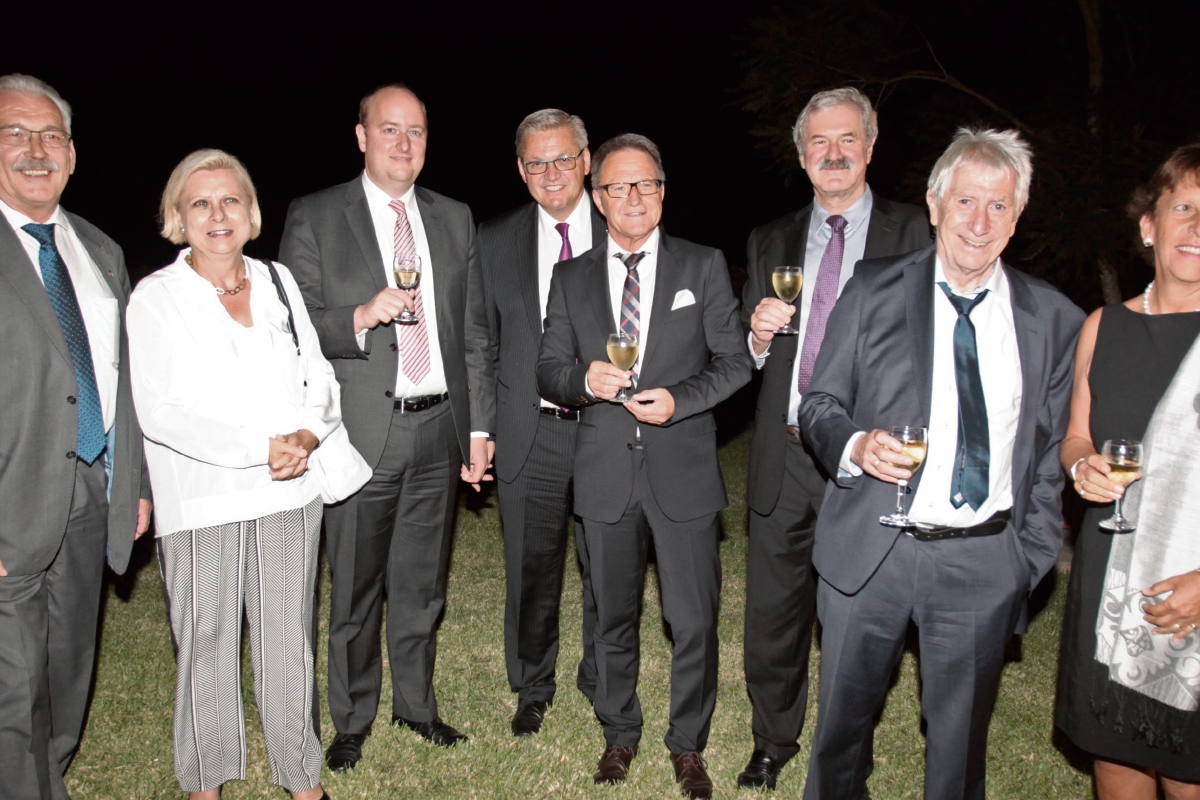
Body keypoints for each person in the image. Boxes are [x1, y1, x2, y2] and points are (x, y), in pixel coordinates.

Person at [798, 128, 1084, 800]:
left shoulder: (1052, 318)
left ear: (1017, 218)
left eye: (999, 207)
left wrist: (1026, 558)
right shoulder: (872, 289)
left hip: (982, 561)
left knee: (957, 753)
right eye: (965, 203)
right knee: (840, 733)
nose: (979, 223)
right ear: (933, 204)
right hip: (870, 550)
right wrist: (858, 446)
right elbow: (819, 404)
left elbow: (1047, 455)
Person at [280, 83, 496, 772]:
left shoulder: (455, 217)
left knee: (422, 584)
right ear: (361, 135)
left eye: (417, 132)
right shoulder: (315, 215)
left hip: (439, 428)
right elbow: (292, 325)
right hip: (360, 431)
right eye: (390, 129)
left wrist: (479, 429)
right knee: (355, 587)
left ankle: (417, 706)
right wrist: (359, 316)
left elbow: (473, 332)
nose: (404, 144)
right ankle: (351, 718)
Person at [537, 134, 752, 799]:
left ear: (663, 191)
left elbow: (736, 363)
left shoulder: (703, 265)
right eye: (618, 187)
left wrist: (680, 401)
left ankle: (687, 745)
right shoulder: (571, 277)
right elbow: (548, 366)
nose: (633, 198)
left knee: (693, 621)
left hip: (682, 470)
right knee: (611, 618)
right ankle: (619, 732)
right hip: (605, 472)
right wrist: (583, 380)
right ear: (597, 197)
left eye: (646, 185)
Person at [128, 149, 339, 800]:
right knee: (207, 638)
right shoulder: (157, 298)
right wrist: (260, 447)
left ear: (251, 213)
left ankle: (301, 779)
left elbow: (320, 374)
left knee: (287, 637)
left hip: (289, 488)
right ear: (177, 217)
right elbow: (161, 411)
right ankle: (204, 784)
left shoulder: (277, 281)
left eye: (230, 201)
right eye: (200, 202)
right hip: (202, 495)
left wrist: (306, 434)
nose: (217, 214)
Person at [738, 86, 930, 791]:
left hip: (869, 458)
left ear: (871, 146)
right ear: (800, 155)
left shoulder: (917, 235)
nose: (834, 153)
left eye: (847, 138)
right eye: (818, 142)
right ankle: (772, 738)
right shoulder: (771, 239)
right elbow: (743, 356)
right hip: (785, 451)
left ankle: (845, 747)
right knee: (774, 612)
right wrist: (756, 339)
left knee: (857, 618)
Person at [0, 74, 150, 800]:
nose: (35, 150)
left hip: (91, 491)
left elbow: (123, 381)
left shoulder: (99, 249)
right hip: (9, 500)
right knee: (9, 690)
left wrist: (134, 487)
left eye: (50, 135)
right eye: (14, 133)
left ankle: (49, 779)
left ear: (73, 154)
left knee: (66, 667)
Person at [1056, 143, 1200, 800]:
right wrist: (1081, 463)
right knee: (1114, 757)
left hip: (1189, 592)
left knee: (1185, 769)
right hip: (1107, 573)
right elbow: (1077, 435)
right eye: (1185, 208)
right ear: (1150, 225)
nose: (1197, 229)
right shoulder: (1103, 326)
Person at [478, 109, 605, 736]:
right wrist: (484, 425)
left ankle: (603, 676)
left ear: (586, 161)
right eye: (536, 162)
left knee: (608, 561)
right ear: (521, 170)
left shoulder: (624, 229)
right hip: (531, 430)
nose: (551, 172)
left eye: (562, 159)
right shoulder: (494, 239)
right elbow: (482, 342)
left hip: (609, 427)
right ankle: (533, 683)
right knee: (532, 566)